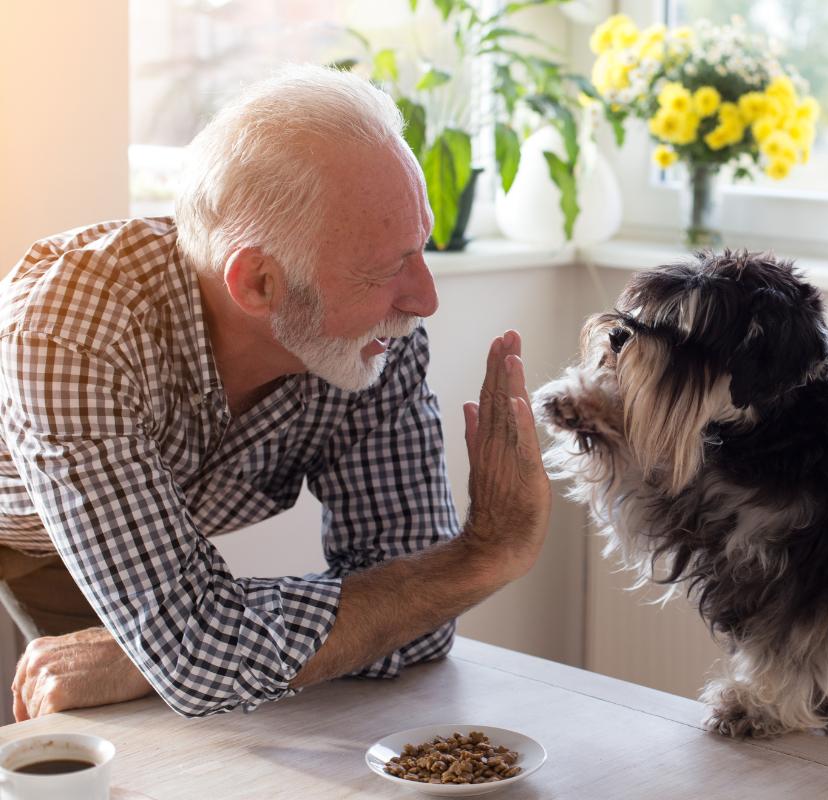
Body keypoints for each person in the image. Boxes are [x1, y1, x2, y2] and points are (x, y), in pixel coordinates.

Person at [0, 65, 550, 721]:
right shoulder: (72, 333)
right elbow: (201, 657)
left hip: (130, 528)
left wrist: (178, 648)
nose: (424, 299)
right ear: (258, 284)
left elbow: (422, 620)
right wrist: (486, 556)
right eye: (385, 269)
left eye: (420, 247)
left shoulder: (373, 340)